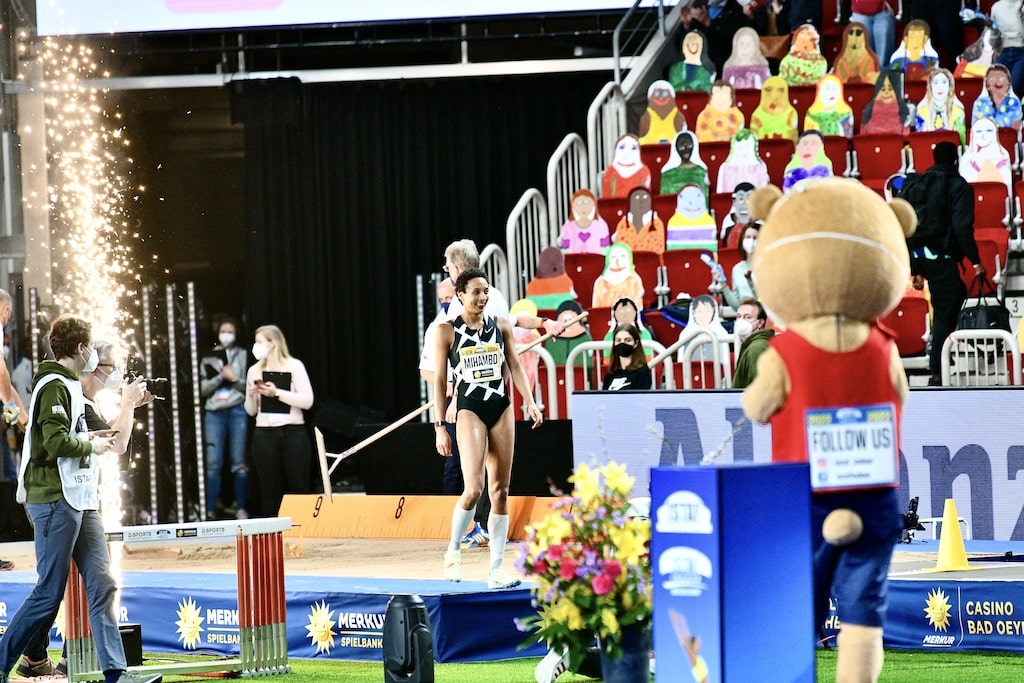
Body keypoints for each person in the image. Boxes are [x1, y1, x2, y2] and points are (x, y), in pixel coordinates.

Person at [1, 316, 161, 683]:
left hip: (81, 498)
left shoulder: (72, 388)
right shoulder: (54, 386)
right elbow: (57, 442)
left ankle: (116, 672)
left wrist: (119, 415)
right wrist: (96, 438)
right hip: (55, 497)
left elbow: (102, 439)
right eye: (93, 350)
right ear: (82, 350)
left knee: (102, 582)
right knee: (48, 592)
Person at [433, 268, 543, 589]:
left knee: (501, 492)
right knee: (473, 488)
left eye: (486, 291)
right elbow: (440, 383)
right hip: (469, 408)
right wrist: (440, 426)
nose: (482, 297)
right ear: (461, 295)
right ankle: (453, 551)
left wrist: (531, 401)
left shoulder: (502, 326)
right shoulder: (447, 332)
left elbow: (515, 366)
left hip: (501, 406)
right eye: (475, 292)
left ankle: (496, 569)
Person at [904, 141, 986, 386]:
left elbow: (908, 227)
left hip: (921, 258)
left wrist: (915, 269)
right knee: (944, 315)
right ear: (955, 160)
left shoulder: (918, 184)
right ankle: (938, 373)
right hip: (943, 259)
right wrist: (975, 261)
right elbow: (962, 227)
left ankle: (941, 362)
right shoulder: (958, 186)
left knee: (947, 303)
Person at [244, 324, 314, 517]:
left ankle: (303, 529)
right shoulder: (254, 370)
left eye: (260, 342)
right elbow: (250, 411)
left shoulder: (294, 366)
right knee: (270, 489)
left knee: (299, 486)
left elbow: (307, 401)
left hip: (293, 432)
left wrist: (277, 393)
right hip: (265, 434)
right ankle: (273, 534)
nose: (256, 346)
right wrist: (251, 394)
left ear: (272, 343)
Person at [200, 317, 250, 520]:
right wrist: (220, 377)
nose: (227, 334)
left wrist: (234, 379)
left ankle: (241, 507)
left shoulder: (243, 355)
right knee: (213, 463)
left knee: (239, 461)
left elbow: (248, 386)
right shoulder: (208, 357)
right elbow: (202, 389)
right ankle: (210, 509)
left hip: (237, 409)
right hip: (214, 412)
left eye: (230, 331)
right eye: (223, 330)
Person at [731, 298, 774, 388]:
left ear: (760, 323)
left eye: (748, 317)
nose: (741, 321)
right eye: (738, 316)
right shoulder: (751, 345)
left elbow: (760, 389)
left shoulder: (756, 349)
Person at [602, 323, 652, 391]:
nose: (622, 343)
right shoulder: (610, 374)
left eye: (628, 340)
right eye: (618, 340)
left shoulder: (642, 372)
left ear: (636, 343)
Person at [849, 1, 897, 67]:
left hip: (883, 10)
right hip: (859, 10)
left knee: (884, 60)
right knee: (862, 60)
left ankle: (883, 76)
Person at [993, 1, 1024, 98]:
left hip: (1022, 51)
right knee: (995, 85)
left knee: (1015, 87)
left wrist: (1018, 12)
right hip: (1005, 51)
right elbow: (994, 40)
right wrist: (991, 28)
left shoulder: (1021, 7)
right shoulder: (996, 7)